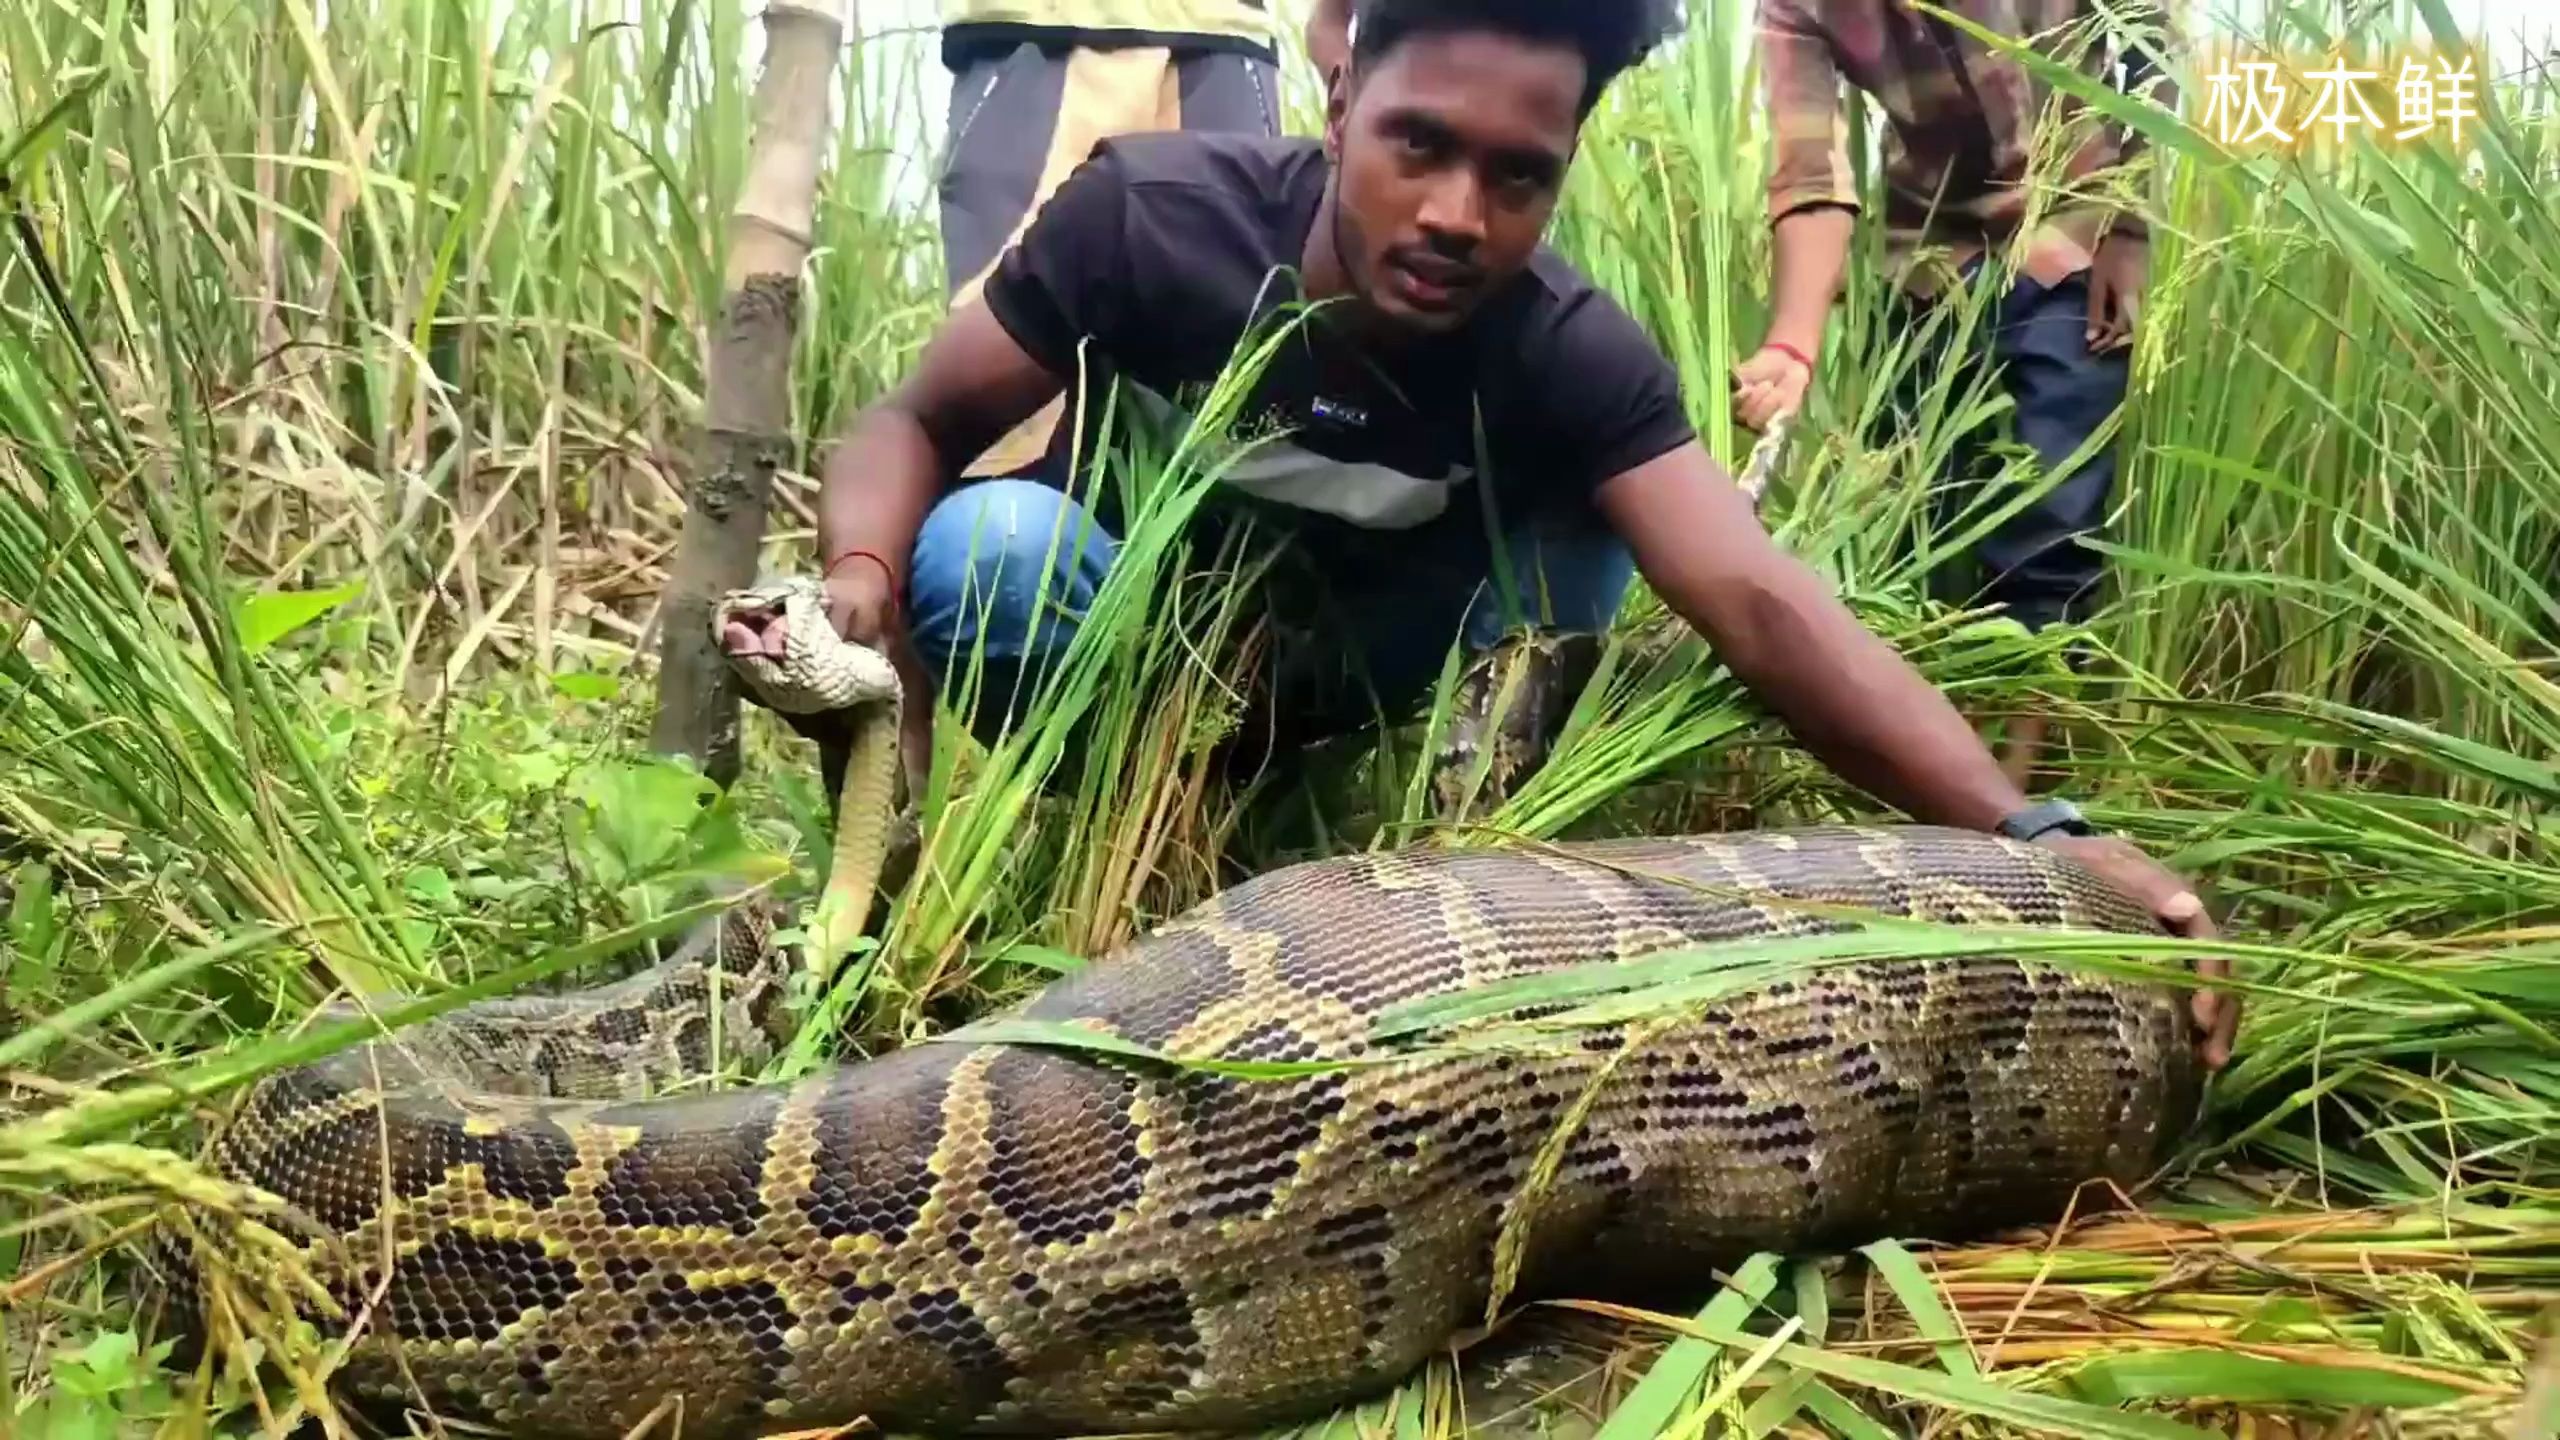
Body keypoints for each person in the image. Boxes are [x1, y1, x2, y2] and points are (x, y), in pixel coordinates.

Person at [814, 0, 2238, 1070]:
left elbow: (1758, 604)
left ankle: (1446, 867)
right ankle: (1138, 831)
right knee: (984, 548)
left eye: (1516, 176)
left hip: (1361, 674)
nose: (1453, 215)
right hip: (1134, 649)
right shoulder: (1154, 219)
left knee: (1601, 509)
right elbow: (911, 424)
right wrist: (859, 583)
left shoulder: (1568, 348)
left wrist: (2037, 838)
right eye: (1416, 146)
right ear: (1343, 89)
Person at [1731, 0, 2177, 790]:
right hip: (1928, 260)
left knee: (2052, 523)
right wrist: (1793, 343)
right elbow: (1812, 170)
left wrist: (2131, 230)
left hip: (2075, 230)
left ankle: (2015, 793)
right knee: (1918, 528)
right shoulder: (1797, 9)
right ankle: (1937, 777)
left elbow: (2150, 40)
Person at [935, 0, 1300, 485]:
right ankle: (990, 554)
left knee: (1229, 383)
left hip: (1225, 33)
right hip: (1043, 25)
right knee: (1004, 398)